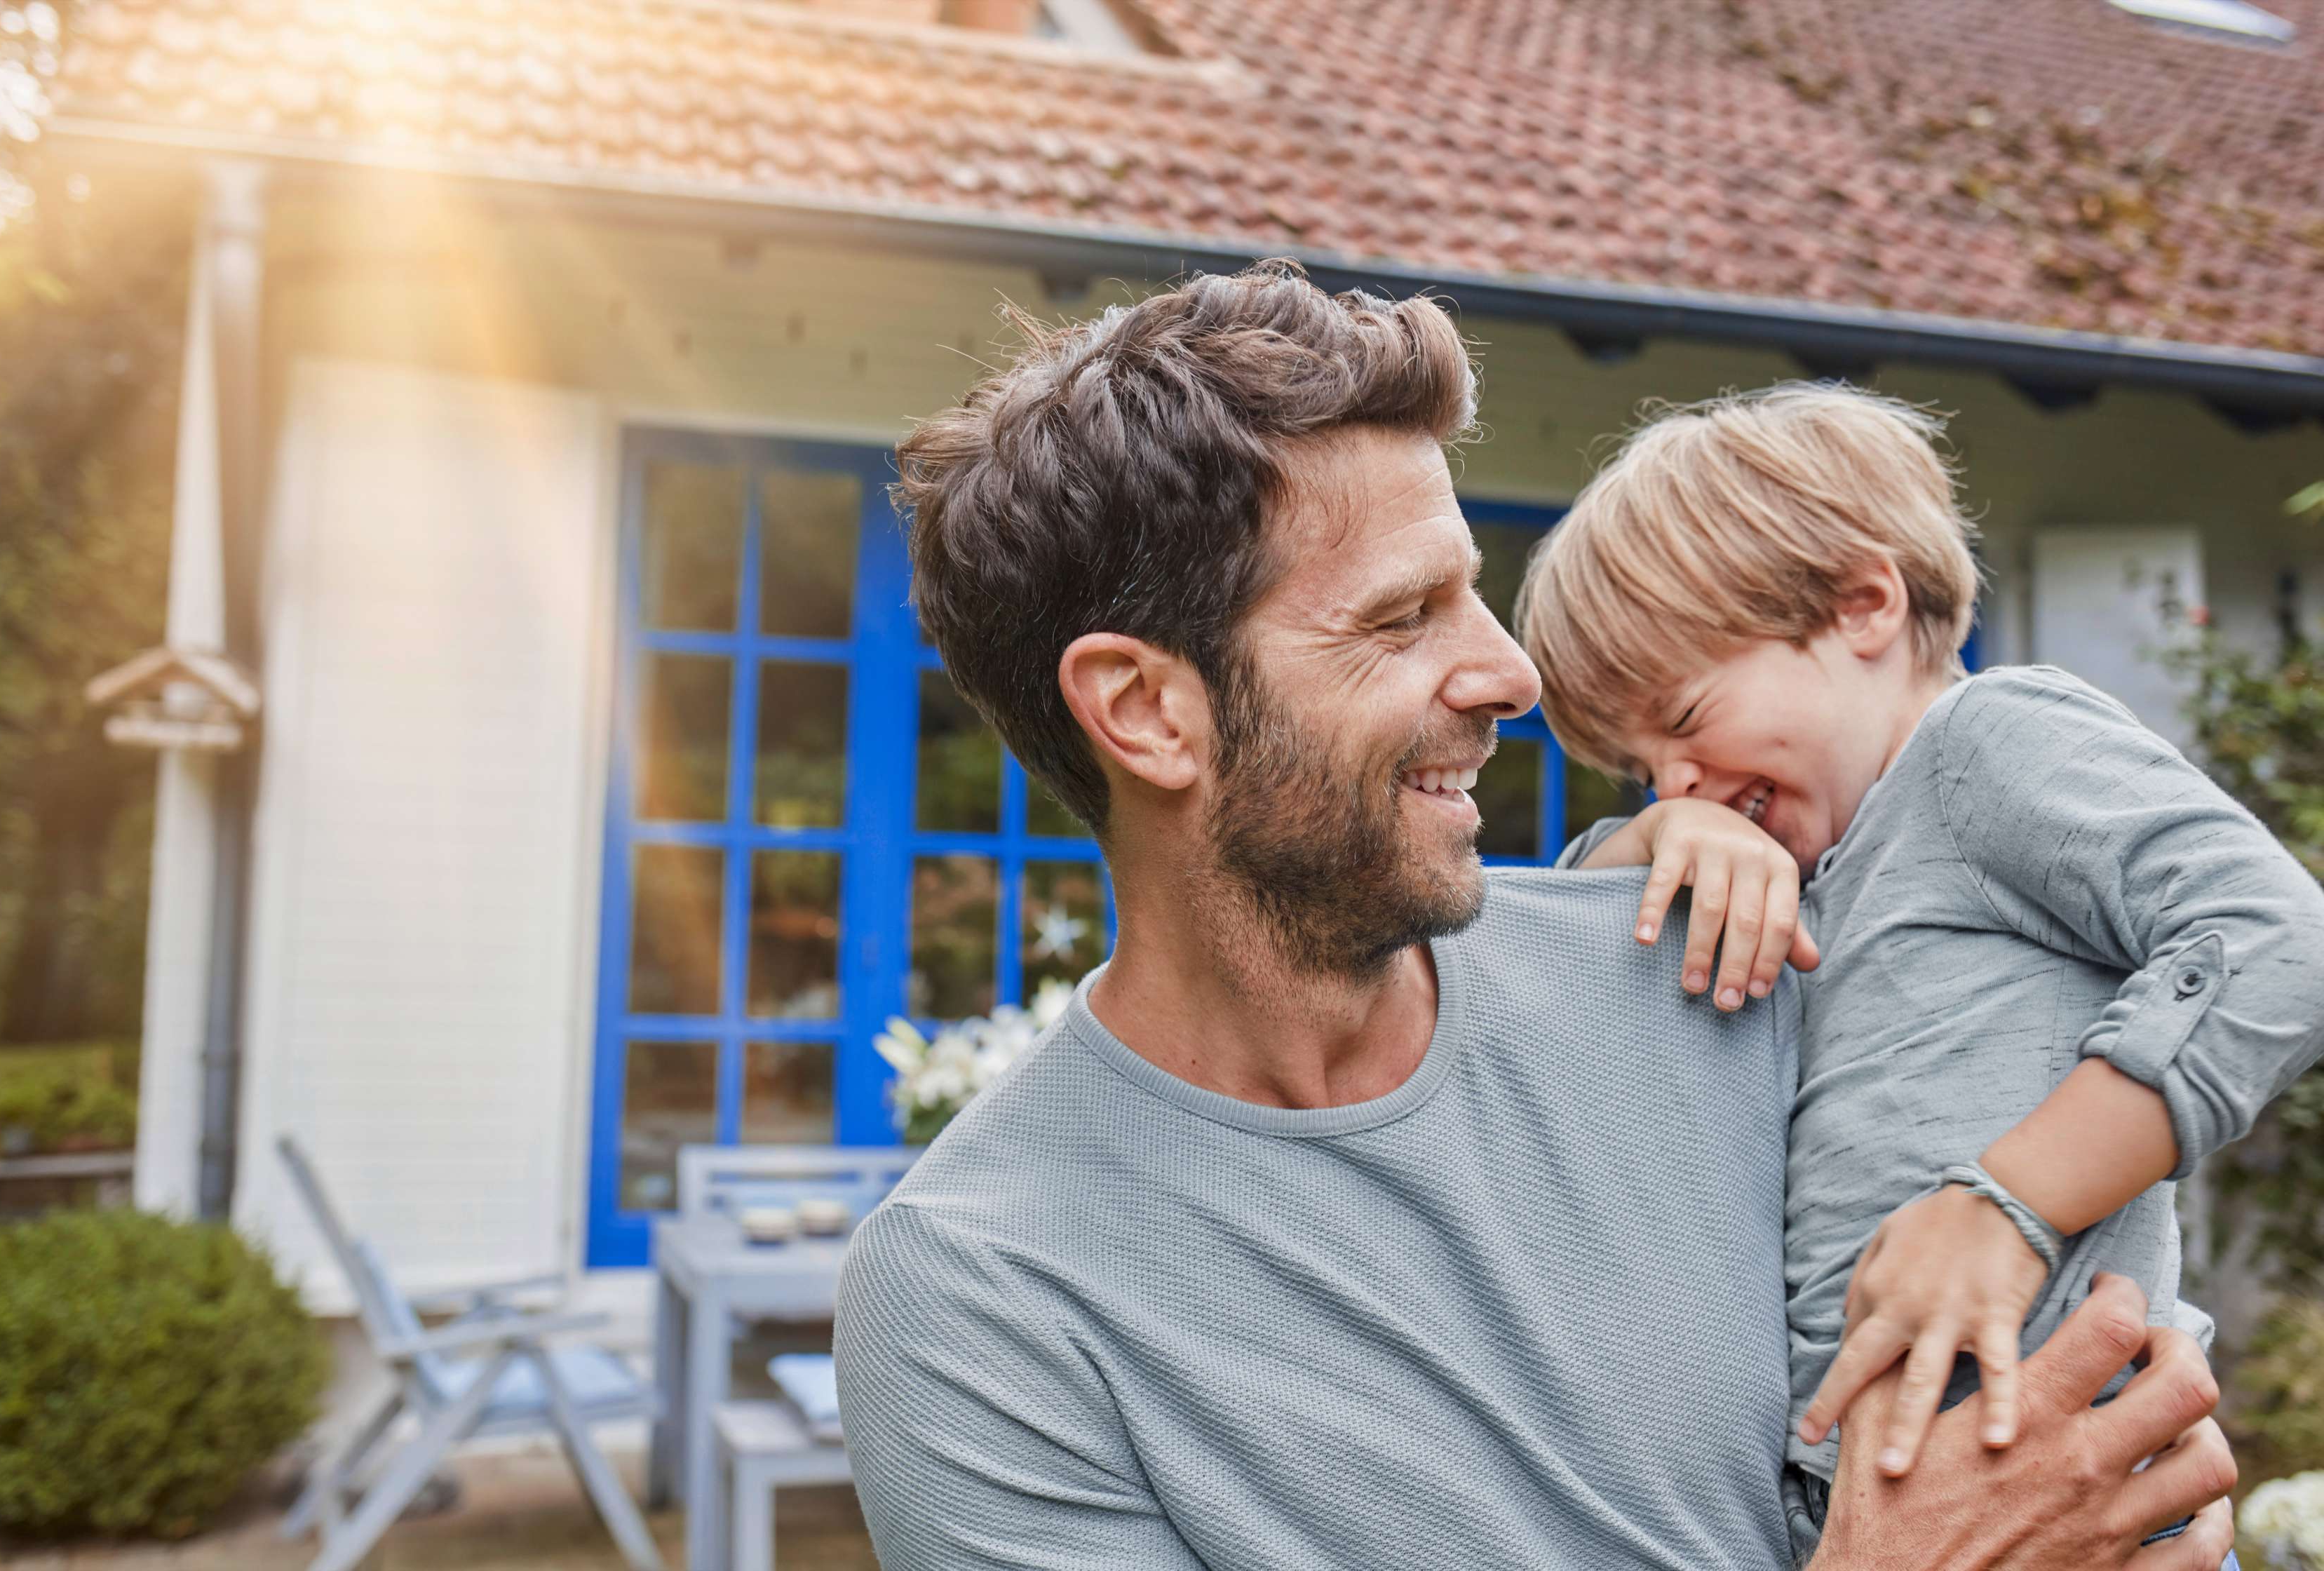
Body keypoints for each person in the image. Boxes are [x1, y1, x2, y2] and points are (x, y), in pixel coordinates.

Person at [834, 263, 2237, 1570]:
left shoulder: (1713, 961)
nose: (1507, 673)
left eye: (1477, 598)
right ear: (1147, 711)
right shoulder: (985, 1295)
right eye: (1404, 618)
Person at [1517, 382, 2324, 1559]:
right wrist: (1652, 842)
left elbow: (2275, 939)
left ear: (1862, 604)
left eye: (1687, 717)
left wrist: (2012, 1208)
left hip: (2068, 1481)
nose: (1674, 783)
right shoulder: (1795, 870)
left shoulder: (1981, 749)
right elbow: (1560, 949)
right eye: (1641, 772)